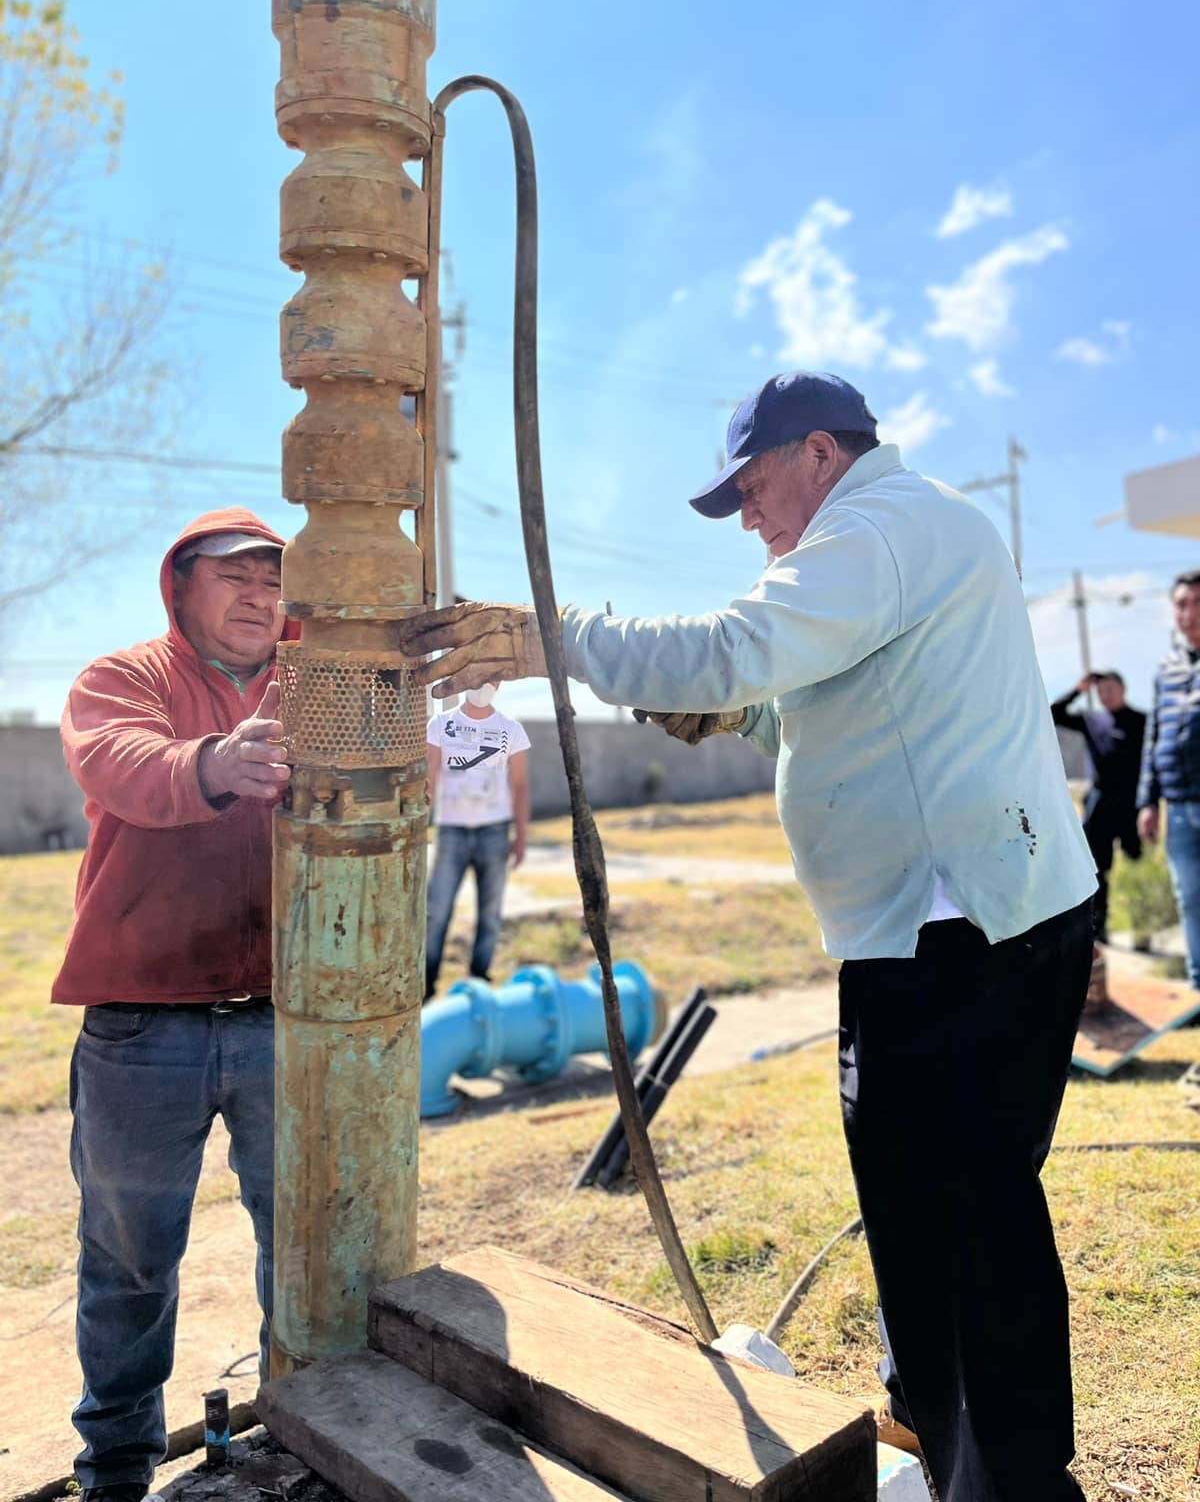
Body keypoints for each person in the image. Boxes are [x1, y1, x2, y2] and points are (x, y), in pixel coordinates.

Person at [398, 371, 1098, 1502]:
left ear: (820, 452)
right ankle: (934, 1426)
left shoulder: (885, 525)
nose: (752, 521)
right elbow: (819, 690)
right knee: (924, 1200)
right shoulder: (886, 540)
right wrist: (740, 710)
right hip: (936, 932)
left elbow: (744, 644)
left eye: (754, 490)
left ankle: (1011, 1482)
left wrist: (553, 638)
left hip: (965, 935)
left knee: (971, 1219)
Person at [56, 510, 292, 1502]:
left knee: (309, 1239)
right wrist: (210, 764)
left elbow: (397, 738)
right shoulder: (123, 679)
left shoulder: (315, 678)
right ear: (180, 587)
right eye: (235, 578)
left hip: (284, 1016)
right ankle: (115, 1468)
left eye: (275, 583)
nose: (260, 599)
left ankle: (308, 1421)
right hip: (141, 1022)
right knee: (130, 1261)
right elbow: (117, 759)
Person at [424, 681, 530, 1000]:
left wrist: (521, 836)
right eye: (475, 677)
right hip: (451, 831)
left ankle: (479, 980)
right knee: (436, 910)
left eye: (489, 679)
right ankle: (424, 986)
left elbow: (521, 785)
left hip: (493, 833)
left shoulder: (511, 730)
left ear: (498, 684)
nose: (481, 685)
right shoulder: (441, 725)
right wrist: (419, 823)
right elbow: (430, 778)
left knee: (490, 912)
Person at [1137, 570, 1200, 993]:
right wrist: (1147, 801)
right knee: (1190, 901)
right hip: (1177, 809)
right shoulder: (1166, 667)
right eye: (1181, 604)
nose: (1189, 613)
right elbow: (1154, 736)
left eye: (1197, 603)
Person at [1050, 671, 1145, 945]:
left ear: (1123, 689)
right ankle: (1099, 926)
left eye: (1111, 689)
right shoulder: (1092, 721)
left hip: (1132, 804)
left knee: (1136, 862)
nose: (1106, 695)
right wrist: (1078, 689)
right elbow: (1054, 713)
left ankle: (1142, 923)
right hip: (1100, 803)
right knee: (1097, 868)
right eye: (1101, 690)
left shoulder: (1141, 721)